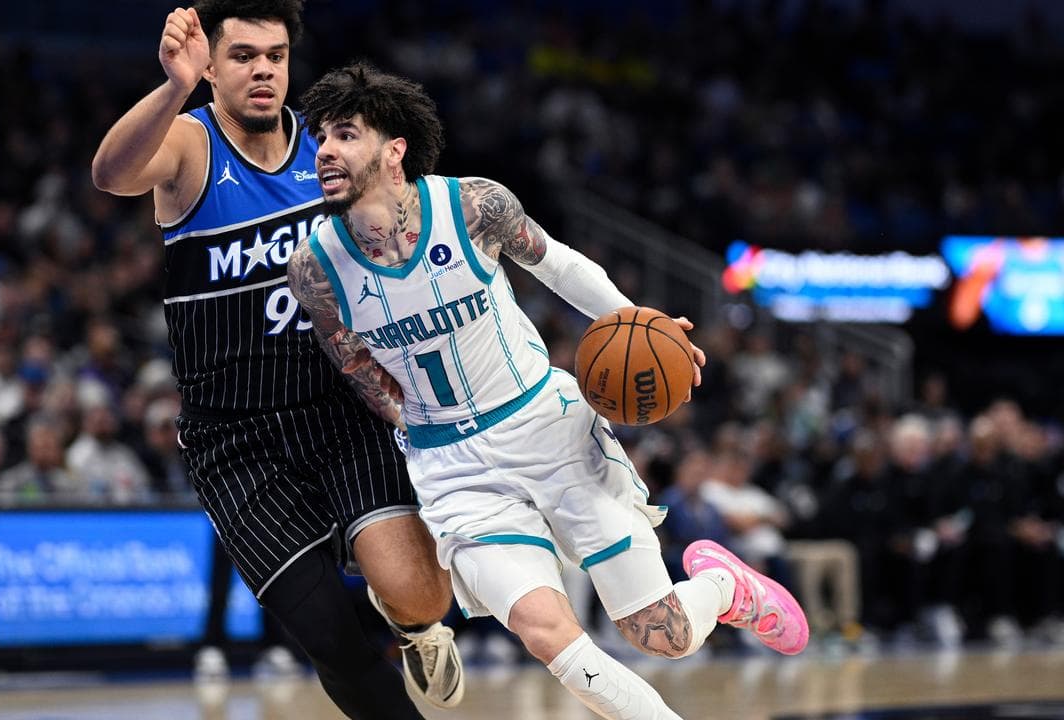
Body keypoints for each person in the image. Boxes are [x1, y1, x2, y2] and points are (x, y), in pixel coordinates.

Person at [290, 63, 809, 720]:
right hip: (454, 471)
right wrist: (412, 426)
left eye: (344, 135)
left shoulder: (473, 205)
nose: (325, 152)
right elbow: (355, 367)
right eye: (319, 139)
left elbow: (556, 262)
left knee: (662, 634)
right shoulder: (315, 267)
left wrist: (637, 320)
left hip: (545, 426)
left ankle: (722, 586)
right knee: (548, 635)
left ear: (393, 149)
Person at [90, 3, 462, 715]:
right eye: (242, 56)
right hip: (234, 437)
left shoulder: (326, 152)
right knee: (334, 641)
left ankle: (419, 627)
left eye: (276, 55)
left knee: (420, 593)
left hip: (338, 407)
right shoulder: (190, 146)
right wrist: (172, 87)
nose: (263, 69)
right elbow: (111, 174)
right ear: (210, 69)